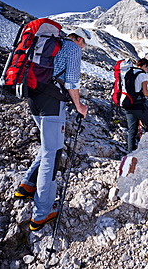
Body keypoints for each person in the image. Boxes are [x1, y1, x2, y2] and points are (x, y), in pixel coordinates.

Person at [14, 27, 92, 231]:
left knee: (47, 145)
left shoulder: (49, 45)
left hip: (33, 96)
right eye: (85, 42)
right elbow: (72, 81)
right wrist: (79, 106)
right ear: (79, 39)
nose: (84, 47)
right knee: (53, 152)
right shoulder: (72, 48)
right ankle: (42, 212)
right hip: (52, 101)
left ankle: (28, 184)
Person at [125, 58, 148, 153]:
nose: (147, 69)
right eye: (146, 67)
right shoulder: (142, 75)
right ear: (144, 66)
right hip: (138, 105)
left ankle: (130, 152)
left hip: (127, 104)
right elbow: (145, 92)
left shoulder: (130, 73)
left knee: (132, 130)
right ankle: (145, 148)